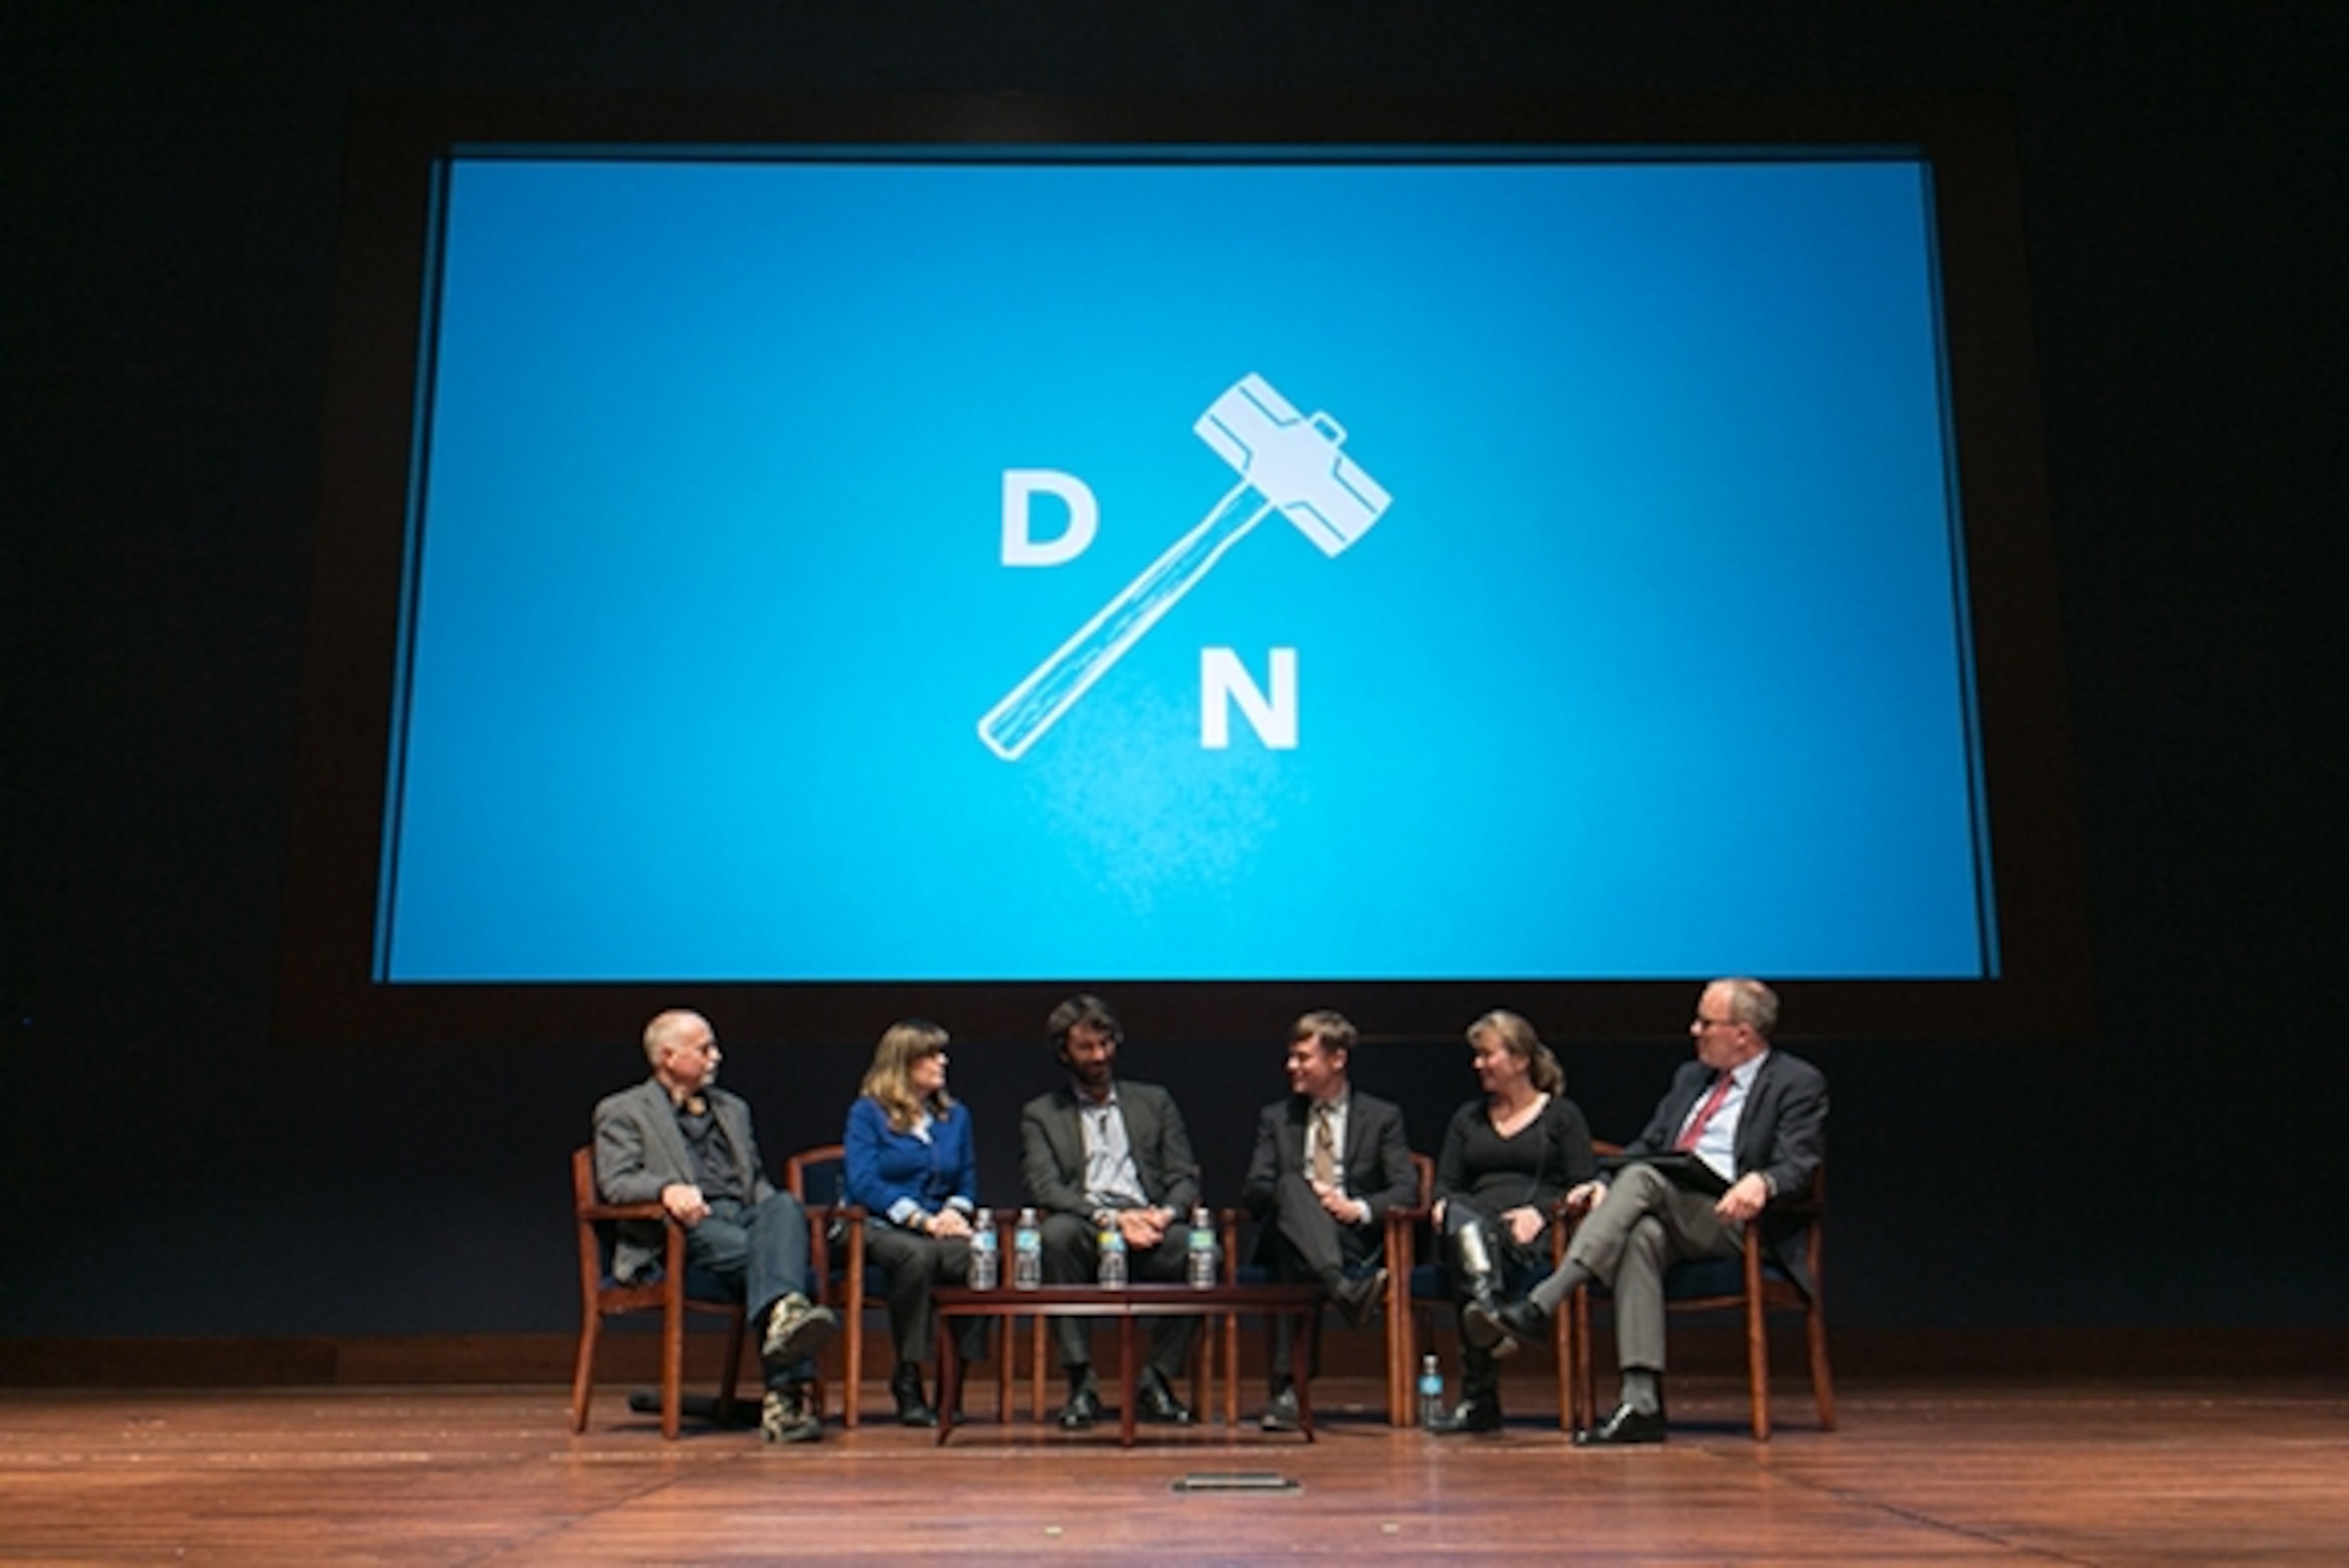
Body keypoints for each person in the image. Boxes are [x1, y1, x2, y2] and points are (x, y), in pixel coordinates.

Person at [1469, 977, 1828, 1446]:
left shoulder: (1796, 1082)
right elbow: (1647, 1145)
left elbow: (1800, 1161)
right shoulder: (1690, 1079)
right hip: (1675, 1206)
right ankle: (1641, 1405)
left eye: (1707, 1022)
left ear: (1743, 1033)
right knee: (1640, 1236)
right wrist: (1600, 1184)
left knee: (1639, 1179)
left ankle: (1544, 1301)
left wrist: (1764, 1180)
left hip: (1738, 1218)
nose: (1694, 1029)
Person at [593, 1009, 838, 1443]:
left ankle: (784, 1317)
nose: (715, 1057)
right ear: (667, 1056)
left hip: (741, 1218)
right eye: (704, 1049)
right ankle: (785, 1399)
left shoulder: (733, 1109)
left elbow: (755, 1182)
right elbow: (616, 1182)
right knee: (783, 1271)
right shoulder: (623, 1110)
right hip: (681, 1230)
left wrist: (781, 1220)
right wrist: (667, 1189)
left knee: (783, 1205)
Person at [1019, 993, 1204, 1429]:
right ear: (1064, 1052)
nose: (1100, 1056)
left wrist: (1165, 1214)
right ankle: (1081, 1380)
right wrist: (1111, 1220)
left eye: (1106, 1045)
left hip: (1148, 1221)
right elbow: (1045, 1187)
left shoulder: (1153, 1102)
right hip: (1089, 1223)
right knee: (1056, 1237)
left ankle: (1156, 1378)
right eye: (1087, 1048)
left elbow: (1183, 1175)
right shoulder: (1042, 1114)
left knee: (1199, 1252)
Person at [1240, 1010, 1418, 1432]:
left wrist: (1354, 1207)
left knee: (1301, 1252)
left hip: (1349, 1235)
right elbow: (1254, 1191)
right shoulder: (1277, 1118)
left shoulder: (1381, 1117)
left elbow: (1405, 1190)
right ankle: (1343, 1289)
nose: (1292, 1067)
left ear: (1337, 1060)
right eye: (1291, 1057)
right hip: (1287, 1233)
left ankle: (1288, 1391)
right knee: (1290, 1192)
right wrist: (1301, 1194)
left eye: (1303, 1058)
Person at [1425, 1009, 1597, 1434]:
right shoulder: (1467, 1119)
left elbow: (1584, 1186)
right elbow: (1446, 1186)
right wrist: (1442, 1206)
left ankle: (1479, 1397)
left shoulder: (1561, 1116)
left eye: (1487, 1055)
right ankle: (1490, 1314)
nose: (1478, 1064)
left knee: (1472, 1247)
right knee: (1467, 1230)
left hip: (1532, 1237)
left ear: (1519, 1060)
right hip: (1471, 1228)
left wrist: (1540, 1213)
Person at [842, 1018, 991, 1427]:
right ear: (904, 1063)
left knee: (977, 1258)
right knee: (917, 1257)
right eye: (932, 1055)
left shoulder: (954, 1116)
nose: (942, 1061)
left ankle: (954, 1380)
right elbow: (864, 1182)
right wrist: (923, 1220)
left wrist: (954, 1214)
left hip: (939, 1224)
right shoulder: (868, 1113)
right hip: (877, 1225)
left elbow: (968, 1178)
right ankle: (909, 1376)